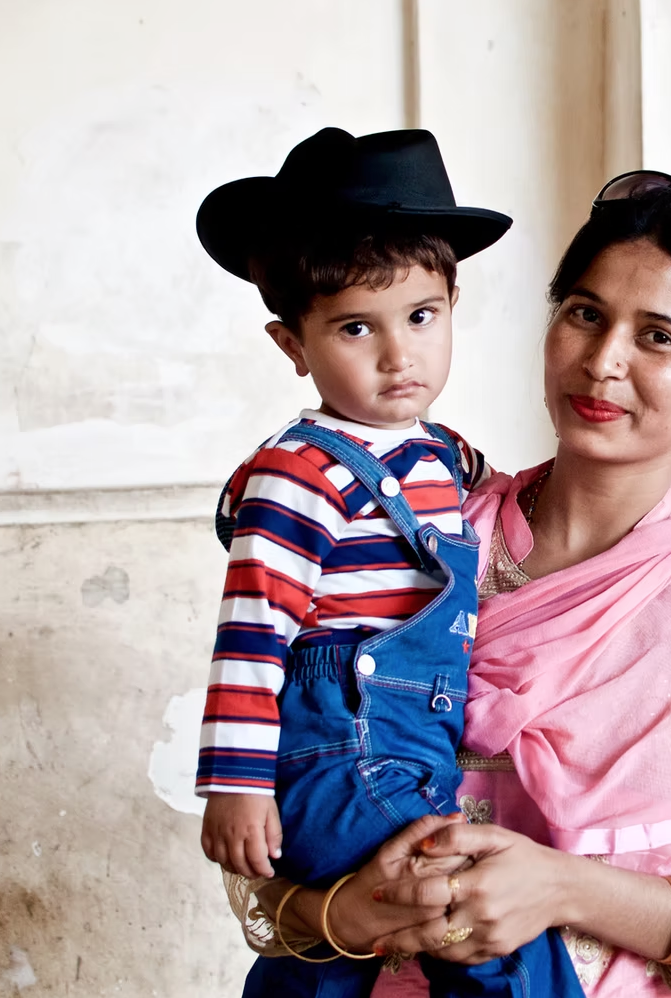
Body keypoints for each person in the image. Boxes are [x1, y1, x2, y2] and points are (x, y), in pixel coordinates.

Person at [231, 170, 671, 997]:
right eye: (585, 315)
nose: (602, 363)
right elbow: (275, 834)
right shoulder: (428, 537)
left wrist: (558, 887)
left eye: (657, 337)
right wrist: (346, 915)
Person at [192, 127, 582, 998]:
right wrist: (236, 786)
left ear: (451, 303)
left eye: (421, 316)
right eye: (356, 327)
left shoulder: (441, 453)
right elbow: (252, 634)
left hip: (413, 753)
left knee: (378, 945)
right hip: (338, 753)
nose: (399, 354)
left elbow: (543, 489)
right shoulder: (299, 474)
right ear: (293, 345)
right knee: (479, 900)